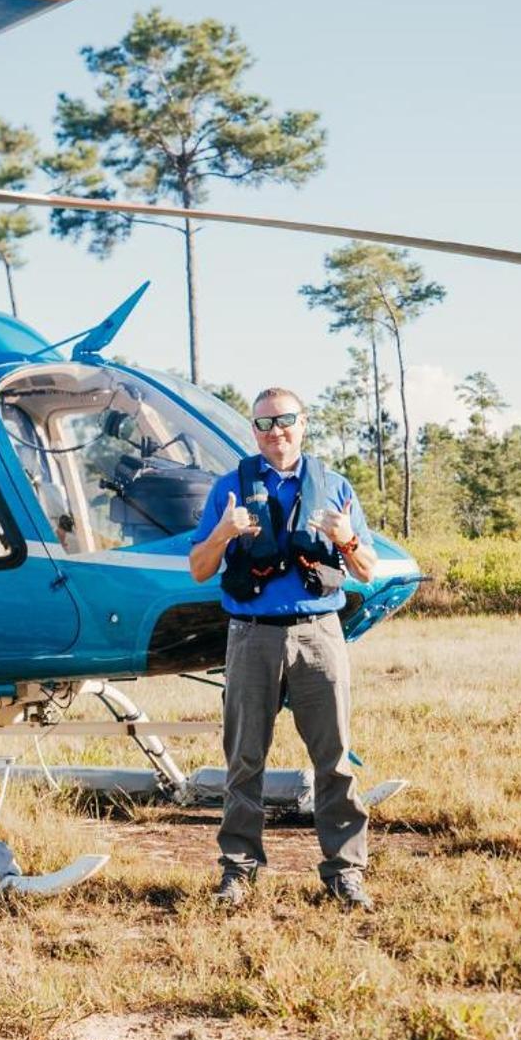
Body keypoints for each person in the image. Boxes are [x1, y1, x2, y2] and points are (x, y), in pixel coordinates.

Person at [187, 387, 380, 911]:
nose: (276, 432)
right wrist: (224, 533)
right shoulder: (229, 489)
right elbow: (200, 569)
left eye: (286, 420)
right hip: (251, 635)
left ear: (304, 423)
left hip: (319, 634)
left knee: (333, 757)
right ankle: (239, 870)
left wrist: (346, 539)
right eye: (265, 424)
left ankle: (345, 871)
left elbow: (366, 571)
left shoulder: (335, 487)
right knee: (244, 758)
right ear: (253, 430)